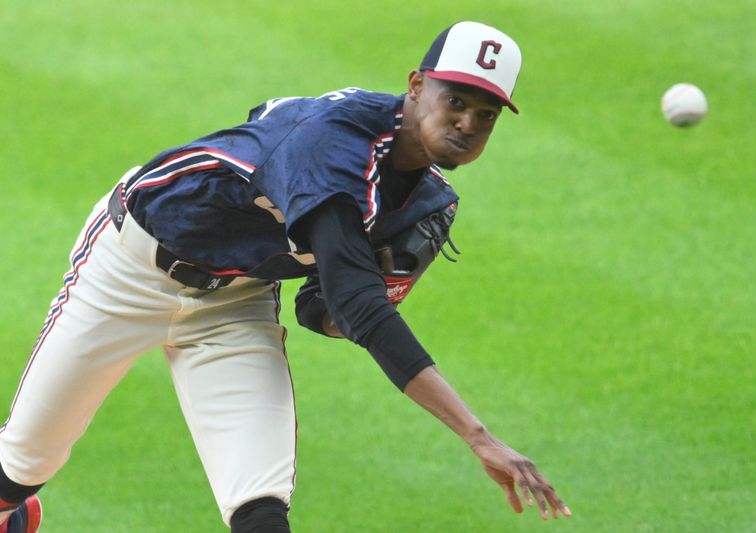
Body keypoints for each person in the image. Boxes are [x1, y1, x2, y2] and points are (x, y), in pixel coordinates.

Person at [0, 21, 570, 532]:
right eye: (456, 102)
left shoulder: (424, 198)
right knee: (22, 467)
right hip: (128, 269)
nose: (468, 124)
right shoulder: (332, 143)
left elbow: (324, 308)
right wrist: (478, 435)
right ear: (417, 86)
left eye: (486, 115)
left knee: (260, 507)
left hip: (236, 301)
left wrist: (341, 305)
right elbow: (361, 308)